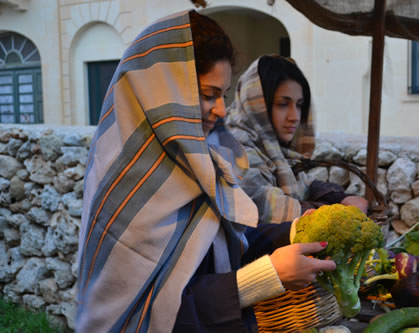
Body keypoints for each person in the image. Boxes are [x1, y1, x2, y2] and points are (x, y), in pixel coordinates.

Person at [76, 11, 336, 333]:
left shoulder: (200, 166)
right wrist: (266, 277)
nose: (221, 110)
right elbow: (149, 314)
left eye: (223, 95)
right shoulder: (125, 188)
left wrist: (297, 230)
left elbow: (226, 242)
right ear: (164, 95)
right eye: (207, 95)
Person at [225, 55, 368, 224]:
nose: (295, 116)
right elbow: (262, 204)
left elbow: (303, 183)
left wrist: (339, 197)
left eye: (299, 105)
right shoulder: (233, 149)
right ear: (255, 105)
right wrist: (332, 213)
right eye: (283, 104)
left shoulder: (276, 152)